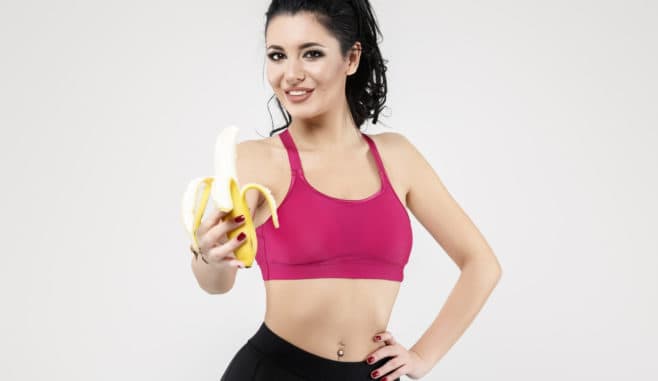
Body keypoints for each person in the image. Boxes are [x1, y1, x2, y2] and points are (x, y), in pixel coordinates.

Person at [190, 1, 502, 380]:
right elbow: (218, 283)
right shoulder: (256, 161)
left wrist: (422, 356)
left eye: (312, 54)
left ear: (351, 57)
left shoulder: (397, 157)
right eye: (277, 55)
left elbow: (481, 264)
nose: (291, 74)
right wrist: (209, 256)